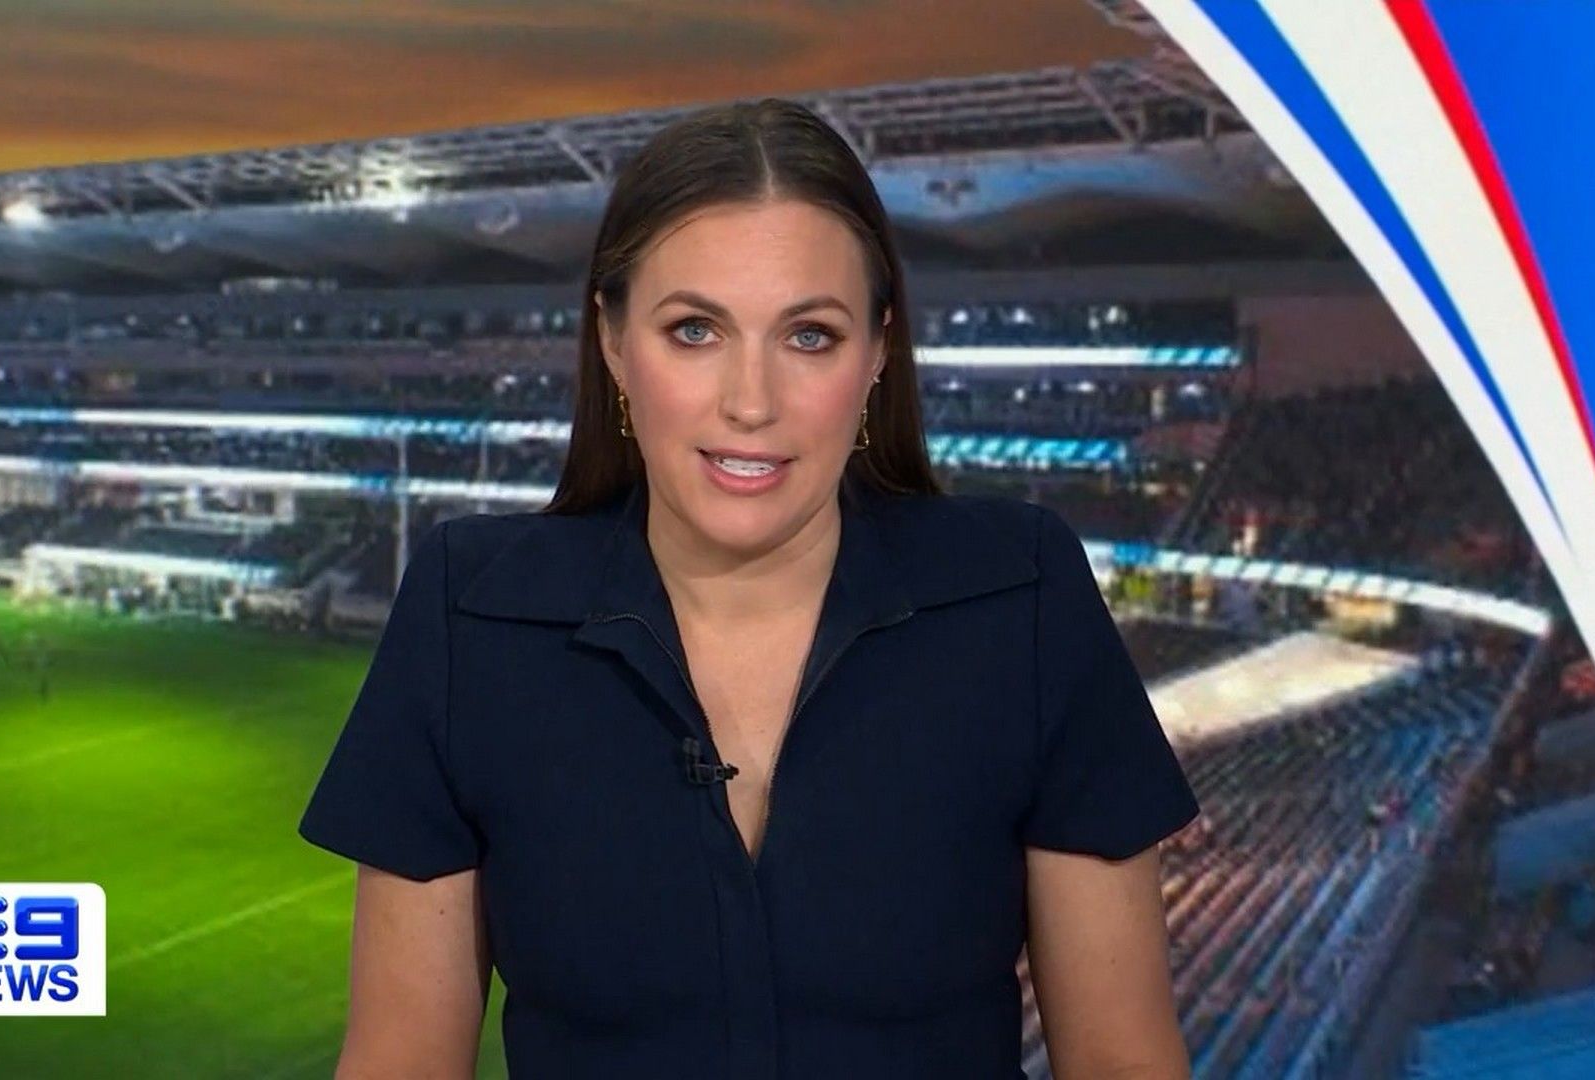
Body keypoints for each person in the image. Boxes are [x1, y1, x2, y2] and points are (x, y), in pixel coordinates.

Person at [298, 98, 1200, 1079]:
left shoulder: (1021, 597)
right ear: (612, 342)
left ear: (878, 349)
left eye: (809, 336)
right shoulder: (466, 611)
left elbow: (1123, 1061)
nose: (751, 403)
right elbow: (398, 1061)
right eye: (694, 331)